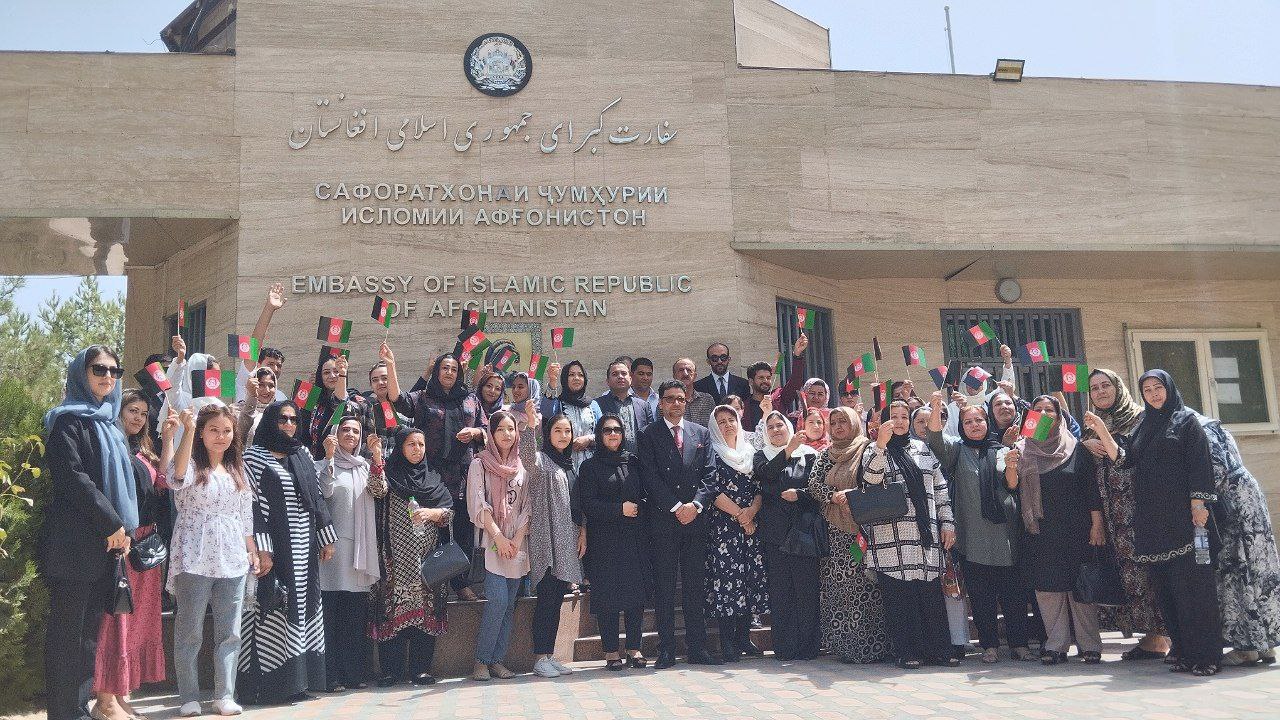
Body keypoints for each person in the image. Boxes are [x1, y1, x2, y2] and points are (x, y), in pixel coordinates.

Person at [1086, 370, 1224, 676]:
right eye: (1147, 390)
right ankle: (1184, 653)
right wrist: (1100, 430)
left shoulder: (1186, 422)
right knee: (1169, 593)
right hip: (1154, 524)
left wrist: (1199, 504)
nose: (1153, 394)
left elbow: (1200, 465)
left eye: (1158, 387)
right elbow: (1124, 460)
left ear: (1169, 388)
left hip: (1187, 520)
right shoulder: (1145, 426)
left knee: (1195, 592)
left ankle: (1207, 657)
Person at [40, 346, 145, 720]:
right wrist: (113, 523)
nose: (108, 376)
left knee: (87, 639)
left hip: (106, 548)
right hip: (73, 548)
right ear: (80, 373)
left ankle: (78, 708)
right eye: (99, 369)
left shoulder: (111, 426)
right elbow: (74, 480)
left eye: (115, 371)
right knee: (67, 638)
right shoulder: (66, 422)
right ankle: (64, 713)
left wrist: (123, 530)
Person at [239, 401, 337, 704]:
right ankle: (267, 686)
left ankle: (298, 683)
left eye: (294, 420)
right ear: (271, 421)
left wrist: (325, 538)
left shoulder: (301, 453)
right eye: (283, 419)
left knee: (303, 607)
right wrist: (263, 550)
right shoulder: (253, 457)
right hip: (274, 547)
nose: (289, 425)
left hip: (304, 545)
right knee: (271, 607)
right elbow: (253, 507)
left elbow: (316, 497)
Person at [924, 393, 1033, 663]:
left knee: (1013, 595)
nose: (974, 425)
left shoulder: (1001, 449)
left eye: (979, 420)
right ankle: (989, 646)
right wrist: (936, 407)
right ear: (962, 426)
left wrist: (1011, 465)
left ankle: (1019, 644)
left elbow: (1011, 485)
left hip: (1005, 535)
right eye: (968, 422)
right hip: (973, 537)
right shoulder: (957, 451)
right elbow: (935, 439)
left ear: (987, 422)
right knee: (982, 597)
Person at [168, 405, 260, 717]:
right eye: (213, 430)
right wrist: (188, 430)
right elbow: (176, 476)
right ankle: (189, 697)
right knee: (190, 630)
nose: (221, 436)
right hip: (194, 556)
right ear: (202, 433)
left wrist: (251, 549)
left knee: (230, 632)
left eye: (226, 431)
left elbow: (245, 515)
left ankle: (224, 695)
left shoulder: (237, 469)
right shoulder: (191, 463)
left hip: (232, 557)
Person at [855, 401, 957, 669]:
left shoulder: (923, 449)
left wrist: (947, 523)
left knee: (930, 597)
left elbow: (941, 489)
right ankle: (907, 652)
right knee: (900, 600)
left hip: (925, 535)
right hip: (891, 537)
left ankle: (939, 651)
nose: (899, 421)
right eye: (893, 416)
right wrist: (880, 445)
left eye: (904, 417)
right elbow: (870, 480)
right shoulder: (873, 450)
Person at [1006, 395, 1105, 665]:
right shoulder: (1022, 449)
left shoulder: (1076, 449)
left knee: (1079, 589)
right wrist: (1011, 463)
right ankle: (1056, 645)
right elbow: (1011, 486)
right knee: (1048, 590)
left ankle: (1089, 645)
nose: (1042, 413)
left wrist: (1097, 525)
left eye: (1049, 410)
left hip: (1077, 530)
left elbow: (1091, 491)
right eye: (1037, 409)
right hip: (1039, 531)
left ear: (1059, 416)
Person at [1079, 369, 1169, 659]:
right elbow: (1087, 477)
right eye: (1094, 388)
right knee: (1129, 575)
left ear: (1118, 387)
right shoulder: (1091, 426)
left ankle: (1165, 635)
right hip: (1111, 515)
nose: (1100, 392)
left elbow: (1140, 460)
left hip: (1140, 509)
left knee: (1151, 571)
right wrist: (1084, 444)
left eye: (1106, 385)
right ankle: (1151, 637)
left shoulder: (1140, 419)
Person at [92, 390, 171, 719]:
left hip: (145, 546)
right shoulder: (111, 445)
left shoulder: (143, 450)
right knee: (116, 620)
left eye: (143, 413)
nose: (138, 418)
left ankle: (121, 694)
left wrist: (169, 438)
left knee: (137, 622)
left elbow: (163, 483)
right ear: (118, 411)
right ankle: (104, 700)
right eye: (132, 411)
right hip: (122, 542)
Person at [385, 344, 485, 600]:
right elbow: (397, 399)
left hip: (462, 476)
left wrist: (475, 432)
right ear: (437, 371)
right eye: (444, 368)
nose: (449, 372)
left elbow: (486, 428)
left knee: (461, 528)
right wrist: (391, 364)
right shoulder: (424, 398)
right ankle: (432, 584)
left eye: (454, 369)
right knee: (432, 531)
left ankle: (460, 584)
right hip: (430, 477)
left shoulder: (470, 399)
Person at [637, 380, 722, 668]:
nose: (676, 403)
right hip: (664, 520)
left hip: (695, 521)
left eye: (681, 399)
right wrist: (676, 507)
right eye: (670, 399)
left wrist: (695, 505)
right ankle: (666, 650)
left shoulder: (700, 433)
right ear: (660, 403)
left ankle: (697, 648)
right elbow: (649, 477)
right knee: (664, 587)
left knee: (694, 586)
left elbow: (710, 475)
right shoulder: (648, 434)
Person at [805, 406, 892, 664]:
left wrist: (853, 495)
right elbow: (813, 485)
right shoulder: (826, 454)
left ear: (854, 423)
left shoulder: (867, 449)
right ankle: (848, 648)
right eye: (834, 423)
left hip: (866, 530)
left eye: (844, 421)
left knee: (870, 587)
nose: (839, 427)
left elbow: (878, 480)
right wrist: (832, 496)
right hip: (837, 534)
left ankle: (876, 647)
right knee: (842, 591)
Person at [369, 427, 453, 687]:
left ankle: (421, 670)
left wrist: (433, 513)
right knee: (392, 613)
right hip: (393, 560)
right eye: (411, 445)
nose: (417, 449)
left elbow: (449, 512)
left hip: (427, 561)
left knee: (425, 613)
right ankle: (391, 671)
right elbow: (377, 489)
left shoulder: (433, 479)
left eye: (421, 444)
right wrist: (376, 457)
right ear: (401, 448)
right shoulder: (391, 474)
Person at [1195, 411, 1280, 665]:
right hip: (1246, 498)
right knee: (1257, 569)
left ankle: (1247, 647)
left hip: (1232, 503)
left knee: (1237, 569)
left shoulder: (1200, 430)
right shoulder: (1211, 425)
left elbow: (1217, 470)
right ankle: (1265, 644)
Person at [518, 406, 586, 678]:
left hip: (566, 540)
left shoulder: (569, 464)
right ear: (548, 434)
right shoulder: (542, 461)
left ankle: (550, 654)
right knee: (546, 599)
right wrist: (530, 426)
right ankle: (539, 658)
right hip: (547, 541)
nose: (563, 435)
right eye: (557, 430)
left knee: (557, 599)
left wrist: (582, 531)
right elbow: (526, 457)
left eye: (567, 431)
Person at [315, 417, 382, 692]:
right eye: (345, 430)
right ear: (335, 433)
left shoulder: (365, 466)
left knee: (354, 617)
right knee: (330, 616)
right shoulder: (322, 464)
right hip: (332, 549)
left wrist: (377, 457)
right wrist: (329, 458)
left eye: (356, 431)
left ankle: (353, 674)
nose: (351, 435)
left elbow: (379, 491)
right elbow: (325, 492)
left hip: (360, 550)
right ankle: (329, 676)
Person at [578, 415, 650, 670]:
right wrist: (619, 509)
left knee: (635, 596)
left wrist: (639, 508)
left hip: (634, 539)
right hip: (604, 541)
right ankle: (610, 651)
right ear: (599, 435)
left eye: (617, 430)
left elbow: (644, 494)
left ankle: (634, 648)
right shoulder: (590, 467)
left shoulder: (633, 462)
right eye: (607, 430)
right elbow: (588, 503)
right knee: (607, 596)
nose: (612, 434)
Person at [468, 410, 532, 681]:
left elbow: (527, 507)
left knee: (509, 606)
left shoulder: (521, 467)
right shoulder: (479, 464)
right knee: (498, 601)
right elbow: (478, 504)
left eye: (511, 429)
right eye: (500, 429)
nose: (507, 434)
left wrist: (515, 540)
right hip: (492, 542)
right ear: (491, 434)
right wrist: (500, 538)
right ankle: (481, 661)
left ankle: (497, 660)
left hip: (516, 545)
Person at [754, 410, 822, 661]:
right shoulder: (761, 456)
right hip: (775, 534)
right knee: (781, 592)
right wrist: (787, 451)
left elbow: (817, 489)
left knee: (806, 590)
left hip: (804, 531)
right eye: (770, 427)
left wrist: (800, 495)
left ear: (789, 427)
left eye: (779, 425)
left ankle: (809, 646)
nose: (775, 430)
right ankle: (785, 647)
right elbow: (766, 477)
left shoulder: (810, 455)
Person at [703, 405, 768, 662]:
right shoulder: (711, 453)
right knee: (727, 582)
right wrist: (741, 516)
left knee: (748, 580)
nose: (728, 425)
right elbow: (712, 490)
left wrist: (751, 512)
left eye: (731, 419)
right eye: (721, 421)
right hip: (724, 527)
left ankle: (743, 637)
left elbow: (760, 488)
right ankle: (727, 642)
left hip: (751, 526)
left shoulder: (750, 452)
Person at [913, 403, 977, 660]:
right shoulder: (905, 450)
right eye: (920, 421)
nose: (926, 426)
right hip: (919, 528)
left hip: (948, 521)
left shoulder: (954, 446)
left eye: (932, 420)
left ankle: (958, 640)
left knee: (952, 583)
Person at [233, 283, 288, 404]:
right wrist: (269, 308)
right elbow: (254, 346)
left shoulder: (281, 397)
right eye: (270, 364)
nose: (275, 369)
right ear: (258, 364)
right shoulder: (246, 382)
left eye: (278, 365)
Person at [303, 355, 364, 459]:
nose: (332, 375)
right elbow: (303, 432)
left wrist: (342, 374)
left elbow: (339, 401)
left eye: (336, 371)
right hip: (316, 462)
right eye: (326, 372)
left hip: (343, 462)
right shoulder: (314, 402)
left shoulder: (353, 400)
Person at [541, 360, 597, 471]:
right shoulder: (558, 403)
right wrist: (552, 381)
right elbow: (546, 412)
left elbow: (603, 431)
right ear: (565, 379)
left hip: (591, 466)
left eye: (580, 375)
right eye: (571, 375)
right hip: (562, 464)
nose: (576, 378)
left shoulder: (593, 405)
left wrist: (589, 439)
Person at [744, 335, 809, 430]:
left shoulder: (778, 397)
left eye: (768, 378)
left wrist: (797, 355)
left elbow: (796, 381)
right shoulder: (744, 405)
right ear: (751, 381)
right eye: (761, 378)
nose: (765, 381)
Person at [591, 360, 657, 449]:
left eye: (624, 373)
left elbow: (651, 435)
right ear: (607, 381)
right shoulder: (597, 405)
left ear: (630, 379)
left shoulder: (643, 405)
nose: (620, 377)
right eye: (615, 374)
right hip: (609, 456)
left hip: (640, 457)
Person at [235, 367, 278, 443]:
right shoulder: (236, 410)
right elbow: (240, 434)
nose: (267, 390)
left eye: (271, 386)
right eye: (261, 385)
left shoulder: (279, 412)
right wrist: (252, 397)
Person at [673, 358, 716, 428]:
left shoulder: (707, 400)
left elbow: (715, 426)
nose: (685, 374)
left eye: (689, 370)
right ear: (674, 376)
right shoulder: (668, 402)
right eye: (681, 370)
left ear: (695, 376)